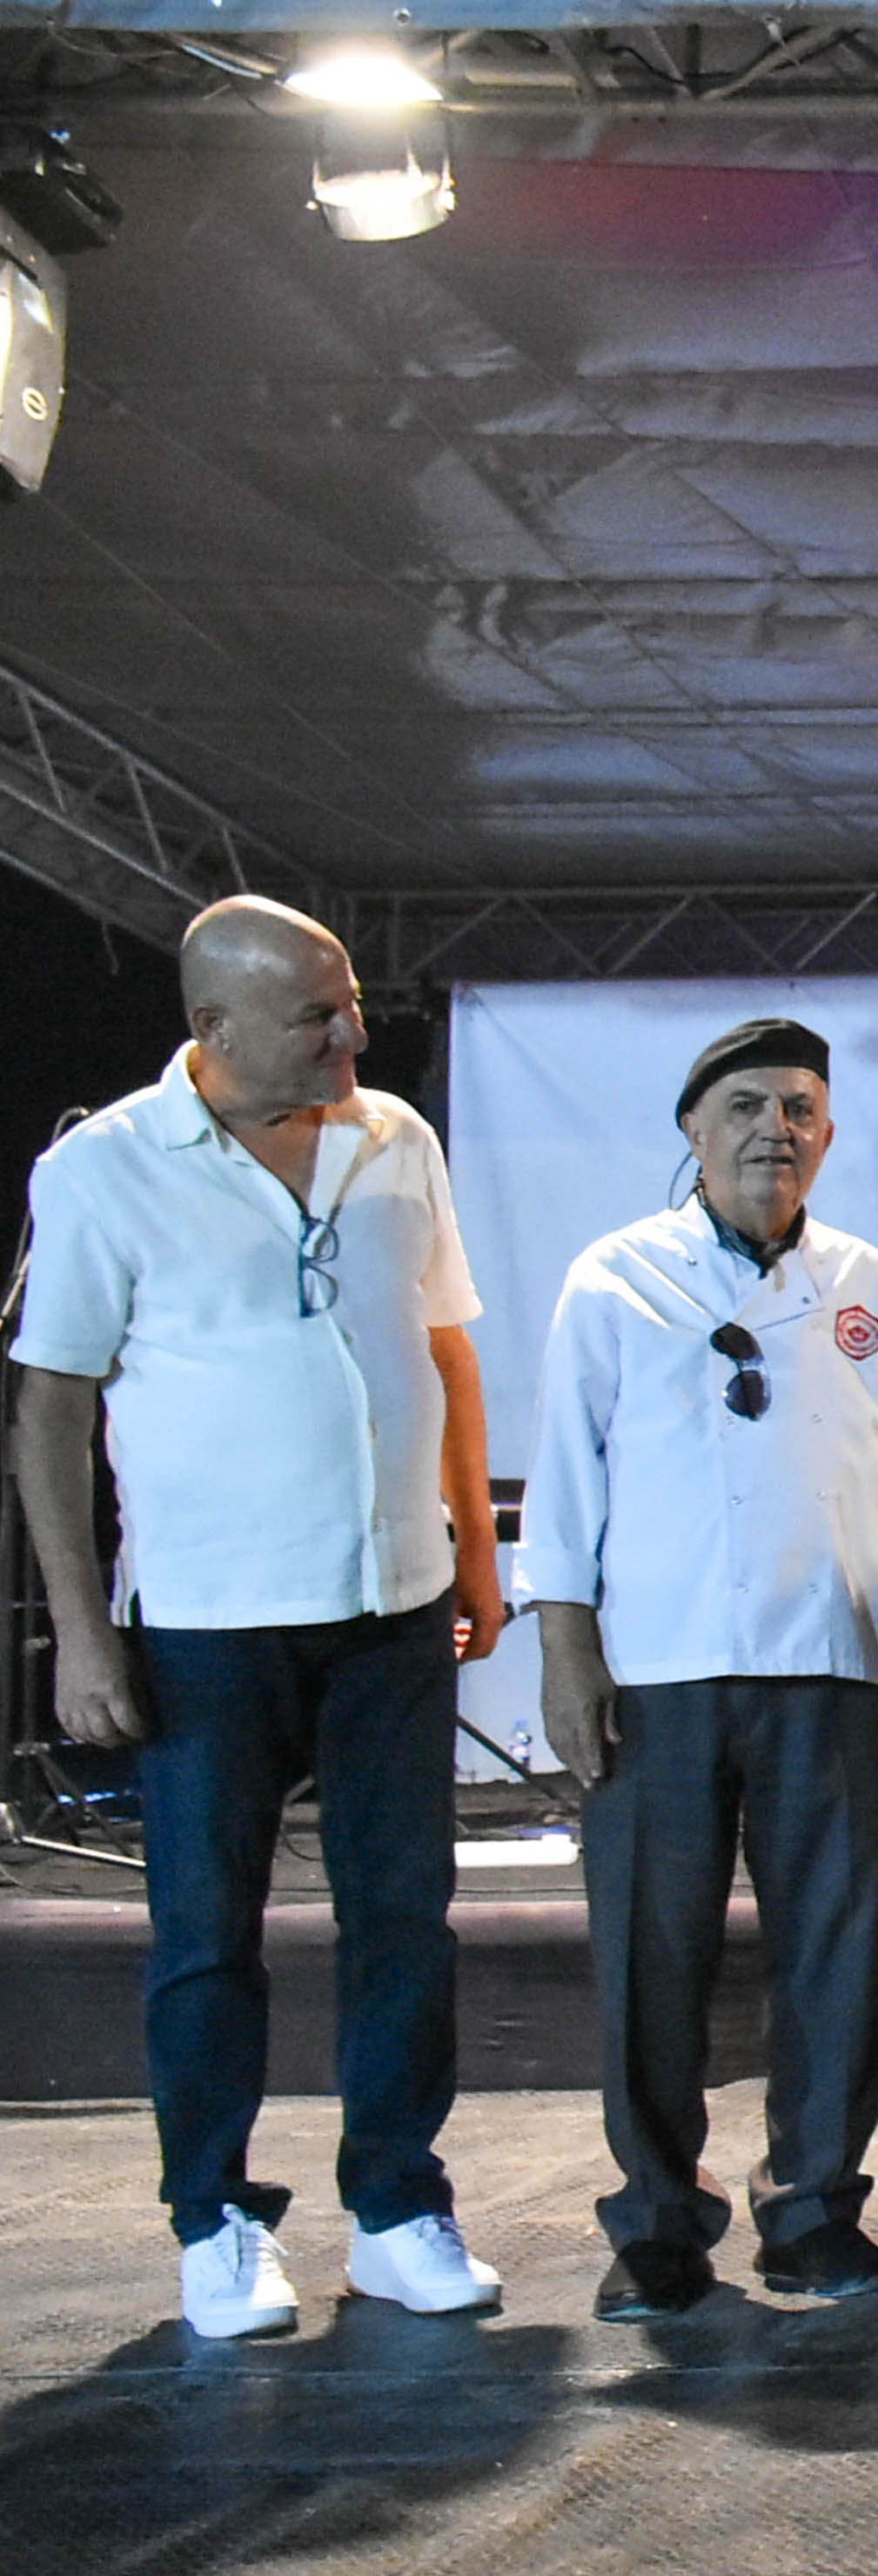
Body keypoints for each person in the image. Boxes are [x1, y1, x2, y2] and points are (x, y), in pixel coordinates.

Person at [7, 895, 511, 2337]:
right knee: (207, 1933)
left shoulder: (393, 1137)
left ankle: (398, 2205)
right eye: (316, 1015)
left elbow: (443, 1349)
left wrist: (475, 1550)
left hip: (393, 1602)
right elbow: (51, 1406)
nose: (353, 1031)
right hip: (210, 1622)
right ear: (212, 1027)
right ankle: (214, 2219)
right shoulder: (104, 1167)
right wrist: (82, 1629)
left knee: (403, 1920)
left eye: (349, 1002)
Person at [519, 1018, 878, 2319]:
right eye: (750, 1105)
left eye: (802, 1108)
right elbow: (567, 1468)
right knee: (652, 1956)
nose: (779, 1128)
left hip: (831, 1653)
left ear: (828, 1132)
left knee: (832, 1951)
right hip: (658, 1666)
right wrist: (565, 1646)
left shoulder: (867, 1278)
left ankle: (814, 2208)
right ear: (695, 1129)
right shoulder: (616, 1275)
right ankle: (659, 2219)